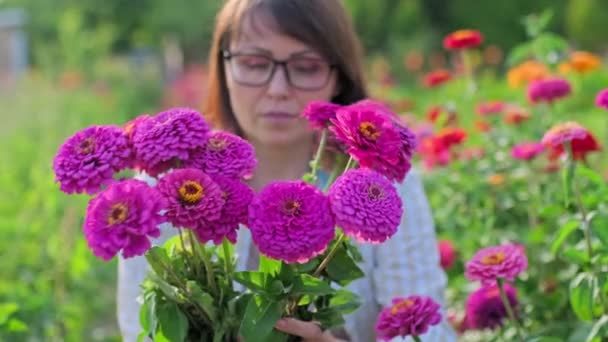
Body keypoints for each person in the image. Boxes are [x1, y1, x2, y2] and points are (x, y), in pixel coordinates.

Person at [118, 0, 456, 341]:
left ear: (339, 76)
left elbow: (429, 331)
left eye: (306, 67)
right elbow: (140, 331)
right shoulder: (168, 186)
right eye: (254, 63)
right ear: (223, 68)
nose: (278, 89)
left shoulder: (384, 188)